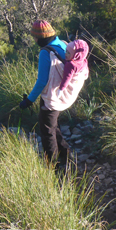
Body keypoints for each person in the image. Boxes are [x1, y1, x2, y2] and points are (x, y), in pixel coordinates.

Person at [18, 20, 70, 166]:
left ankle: (52, 165)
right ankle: (65, 155)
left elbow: (42, 81)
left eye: (35, 38)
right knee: (53, 126)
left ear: (41, 37)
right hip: (63, 96)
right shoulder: (63, 45)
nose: (35, 41)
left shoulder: (45, 52)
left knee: (47, 131)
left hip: (51, 98)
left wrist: (29, 100)